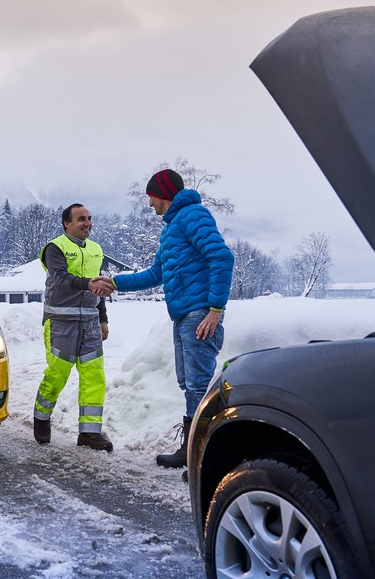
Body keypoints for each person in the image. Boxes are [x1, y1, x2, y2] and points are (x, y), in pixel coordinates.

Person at [111, 169, 234, 469]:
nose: (149, 203)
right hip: (183, 315)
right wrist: (114, 283)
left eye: (151, 196)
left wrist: (215, 309)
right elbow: (156, 274)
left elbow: (222, 257)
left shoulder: (193, 215)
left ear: (162, 193)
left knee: (199, 385)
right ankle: (193, 449)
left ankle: (206, 456)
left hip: (199, 312)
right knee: (188, 383)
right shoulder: (171, 227)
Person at [33, 203, 117, 451]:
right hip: (61, 322)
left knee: (94, 376)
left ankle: (89, 433)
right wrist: (88, 284)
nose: (87, 223)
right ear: (66, 223)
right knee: (57, 374)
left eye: (89, 218)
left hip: (90, 323)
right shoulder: (55, 247)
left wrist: (103, 318)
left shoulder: (96, 250)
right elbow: (60, 277)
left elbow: (99, 289)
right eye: (81, 219)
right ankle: (41, 417)